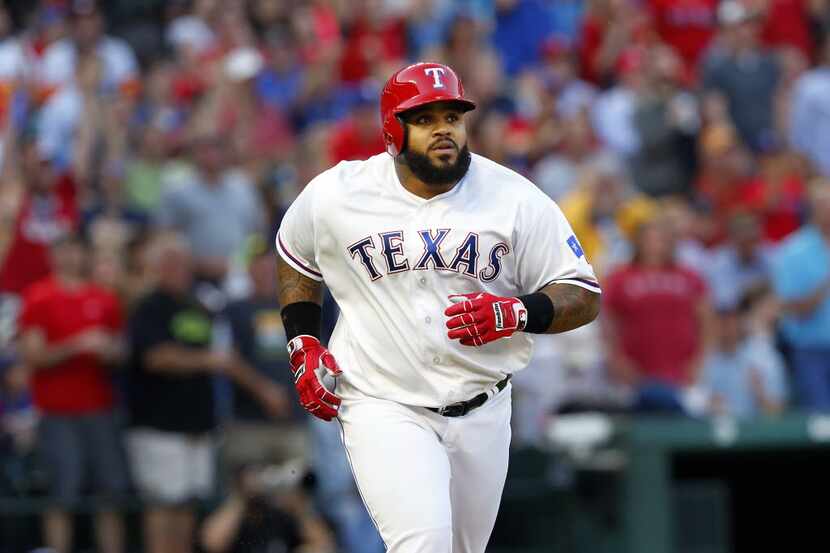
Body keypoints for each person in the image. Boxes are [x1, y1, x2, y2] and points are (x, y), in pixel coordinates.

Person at [275, 62, 601, 553]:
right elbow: (294, 254)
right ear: (392, 131)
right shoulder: (339, 194)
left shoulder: (512, 197)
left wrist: (514, 312)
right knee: (424, 544)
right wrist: (302, 339)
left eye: (452, 116)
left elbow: (583, 293)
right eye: (425, 119)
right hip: (383, 401)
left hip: (483, 404)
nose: (443, 129)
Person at [126, 233, 282, 553]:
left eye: (184, 263)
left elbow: (222, 352)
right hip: (159, 426)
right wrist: (207, 360)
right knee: (162, 505)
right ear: (158, 267)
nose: (180, 270)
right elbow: (155, 357)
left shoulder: (199, 304)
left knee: (187, 505)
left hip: (196, 425)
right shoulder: (150, 305)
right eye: (171, 263)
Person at [16, 233, 128, 553]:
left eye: (76, 250)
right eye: (63, 250)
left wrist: (109, 350)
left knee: (110, 493)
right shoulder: (38, 297)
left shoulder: (104, 298)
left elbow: (120, 349)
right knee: (61, 492)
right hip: (57, 411)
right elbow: (33, 355)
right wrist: (77, 345)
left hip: (100, 407)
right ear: (53, 256)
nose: (70, 257)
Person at [603, 214, 714, 413]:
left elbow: (706, 320)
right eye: (650, 239)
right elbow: (608, 322)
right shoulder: (620, 278)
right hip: (636, 374)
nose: (655, 245)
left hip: (683, 372)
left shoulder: (689, 277)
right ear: (638, 243)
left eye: (661, 239)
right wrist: (616, 358)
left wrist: (700, 359)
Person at [771, 185, 830, 411]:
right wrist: (825, 285)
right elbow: (792, 307)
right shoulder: (793, 250)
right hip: (811, 352)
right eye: (824, 205)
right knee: (821, 423)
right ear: (812, 209)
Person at [200, 461, 335, 553]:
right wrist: (243, 497)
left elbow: (324, 545)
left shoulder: (284, 515)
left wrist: (299, 508)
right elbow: (211, 543)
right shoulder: (237, 511)